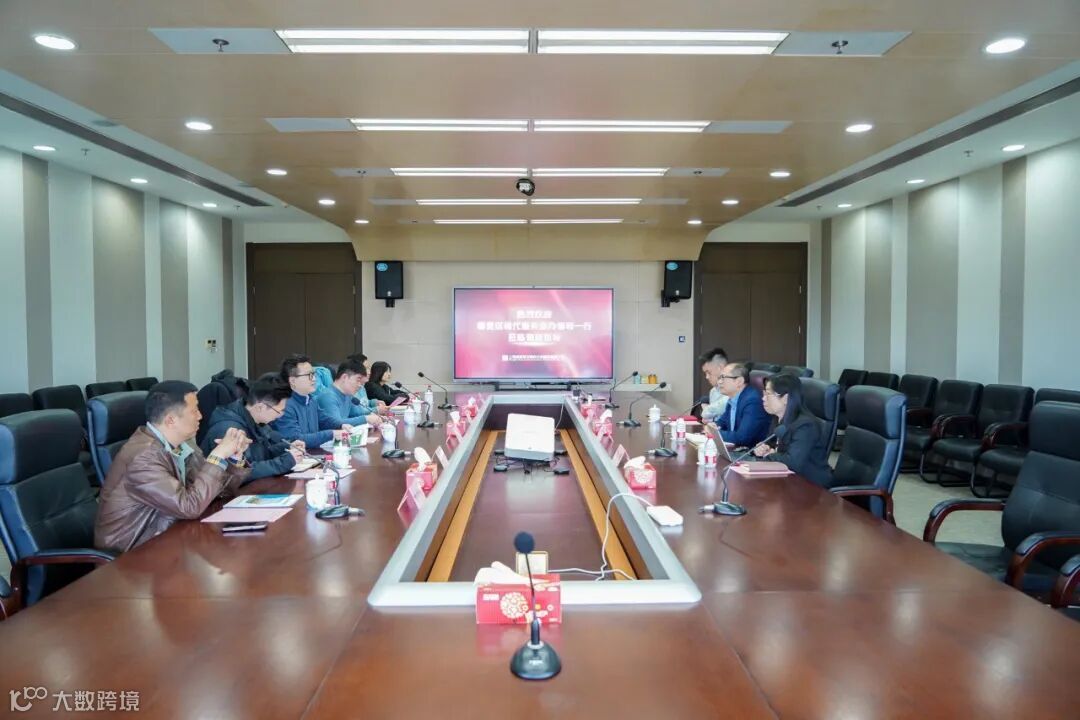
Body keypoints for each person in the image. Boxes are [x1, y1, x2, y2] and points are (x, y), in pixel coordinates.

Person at [95, 381, 252, 553]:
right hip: (134, 554)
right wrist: (218, 456)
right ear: (171, 420)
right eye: (194, 411)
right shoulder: (143, 457)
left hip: (173, 536)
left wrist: (234, 458)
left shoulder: (184, 445)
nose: (200, 416)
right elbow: (189, 507)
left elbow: (216, 493)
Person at [201, 375, 307, 481]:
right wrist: (284, 463)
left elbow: (260, 455)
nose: (280, 415)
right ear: (260, 407)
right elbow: (241, 473)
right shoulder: (230, 430)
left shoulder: (254, 420)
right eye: (279, 411)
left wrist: (286, 447)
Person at [752, 374, 835, 487]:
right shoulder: (777, 418)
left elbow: (793, 463)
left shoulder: (806, 425)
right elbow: (771, 445)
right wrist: (762, 448)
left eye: (768, 394)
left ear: (785, 398)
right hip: (788, 481)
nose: (763, 398)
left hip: (812, 487)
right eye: (764, 393)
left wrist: (770, 455)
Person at [272, 354, 350, 447]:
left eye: (313, 374)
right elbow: (295, 439)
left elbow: (324, 420)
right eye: (309, 375)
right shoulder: (283, 405)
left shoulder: (311, 399)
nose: (314, 379)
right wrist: (331, 434)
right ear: (292, 381)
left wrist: (341, 425)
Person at [712, 363, 771, 448]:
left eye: (723, 377)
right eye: (719, 378)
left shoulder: (753, 401)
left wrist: (714, 433)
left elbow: (742, 437)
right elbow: (722, 423)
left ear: (739, 381)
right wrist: (713, 426)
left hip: (750, 452)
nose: (719, 382)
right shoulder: (733, 399)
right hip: (736, 449)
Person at [317, 356, 383, 428]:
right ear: (345, 377)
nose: (360, 386)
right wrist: (366, 419)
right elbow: (336, 424)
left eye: (361, 383)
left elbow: (357, 413)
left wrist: (373, 416)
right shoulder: (328, 397)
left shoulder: (347, 395)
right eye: (358, 380)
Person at [697, 347, 729, 422]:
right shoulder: (713, 391)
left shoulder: (734, 389)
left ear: (721, 368)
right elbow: (708, 418)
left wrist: (707, 410)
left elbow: (707, 414)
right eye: (705, 373)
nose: (707, 377)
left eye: (709, 372)